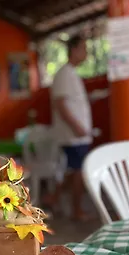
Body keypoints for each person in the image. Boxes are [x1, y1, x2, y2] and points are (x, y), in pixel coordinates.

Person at [49, 35, 92, 221]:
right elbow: (61, 105)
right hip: (73, 135)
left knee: (72, 170)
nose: (86, 53)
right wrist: (77, 128)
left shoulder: (70, 73)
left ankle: (54, 198)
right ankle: (76, 210)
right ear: (74, 50)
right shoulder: (65, 74)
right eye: (84, 48)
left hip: (76, 135)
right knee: (77, 171)